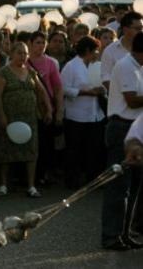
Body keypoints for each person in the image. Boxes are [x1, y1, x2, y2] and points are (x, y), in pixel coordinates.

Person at [101, 32, 143, 250]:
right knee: (118, 187)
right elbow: (132, 100)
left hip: (135, 129)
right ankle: (110, 235)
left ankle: (124, 233)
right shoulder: (127, 66)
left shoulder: (139, 66)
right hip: (122, 128)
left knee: (134, 187)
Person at [0, 42, 51, 198]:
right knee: (6, 150)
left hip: (29, 116)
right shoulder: (3, 72)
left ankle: (31, 186)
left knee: (31, 151)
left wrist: (48, 109)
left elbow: (41, 90)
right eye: (19, 53)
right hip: (10, 116)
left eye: (25, 53)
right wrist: (2, 115)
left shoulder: (31, 72)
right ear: (12, 54)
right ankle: (3, 184)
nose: (23, 56)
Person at [61, 36, 107, 189]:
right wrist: (85, 92)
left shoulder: (97, 66)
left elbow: (104, 83)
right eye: (95, 51)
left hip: (95, 114)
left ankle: (93, 179)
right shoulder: (71, 66)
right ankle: (72, 181)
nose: (97, 54)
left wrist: (101, 90)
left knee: (94, 149)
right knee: (74, 150)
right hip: (77, 116)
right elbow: (64, 89)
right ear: (87, 50)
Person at [28, 31, 64, 186]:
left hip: (46, 108)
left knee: (45, 144)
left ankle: (43, 175)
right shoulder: (23, 60)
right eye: (37, 42)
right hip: (28, 108)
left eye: (43, 43)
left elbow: (57, 87)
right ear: (30, 44)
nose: (41, 46)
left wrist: (59, 110)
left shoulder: (50, 63)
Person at [101, 12, 143, 90]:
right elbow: (106, 77)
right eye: (138, 29)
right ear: (125, 29)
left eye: (142, 28)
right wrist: (123, 92)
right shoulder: (110, 50)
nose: (141, 32)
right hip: (120, 100)